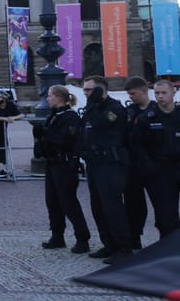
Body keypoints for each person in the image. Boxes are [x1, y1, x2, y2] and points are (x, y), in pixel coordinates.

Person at [78, 75, 134, 263]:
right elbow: (84, 130)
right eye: (84, 90)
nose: (85, 93)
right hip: (95, 164)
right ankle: (108, 243)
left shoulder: (114, 108)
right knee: (98, 207)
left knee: (112, 207)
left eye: (89, 90)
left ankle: (124, 247)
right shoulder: (92, 108)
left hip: (111, 164)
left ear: (100, 90)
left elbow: (102, 124)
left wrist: (93, 105)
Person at [35, 85, 91, 254]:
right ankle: (57, 235)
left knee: (68, 202)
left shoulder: (70, 116)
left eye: (50, 96)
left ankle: (82, 237)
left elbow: (65, 138)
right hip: (52, 162)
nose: (48, 99)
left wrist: (46, 133)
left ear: (59, 97)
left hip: (65, 162)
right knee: (52, 201)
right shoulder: (54, 115)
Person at [130, 78, 179, 240]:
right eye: (157, 93)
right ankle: (168, 247)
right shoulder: (146, 118)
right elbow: (138, 146)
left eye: (164, 93)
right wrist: (151, 166)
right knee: (166, 213)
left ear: (174, 92)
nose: (160, 96)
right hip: (161, 171)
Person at [122, 76, 156, 249]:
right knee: (134, 204)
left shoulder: (157, 110)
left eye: (133, 93)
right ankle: (135, 237)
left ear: (144, 91)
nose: (131, 97)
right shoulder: (129, 112)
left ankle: (168, 239)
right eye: (129, 94)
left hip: (154, 165)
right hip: (132, 166)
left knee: (162, 204)